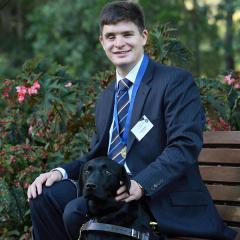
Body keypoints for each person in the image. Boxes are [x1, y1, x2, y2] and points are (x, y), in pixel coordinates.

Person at [27, 1, 237, 240]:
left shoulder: (174, 82)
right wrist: (60, 173)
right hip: (113, 195)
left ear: (143, 36)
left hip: (159, 199)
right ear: (102, 42)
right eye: (111, 36)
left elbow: (184, 146)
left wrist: (141, 184)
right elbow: (97, 155)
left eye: (127, 34)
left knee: (77, 211)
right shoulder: (107, 97)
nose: (119, 43)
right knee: (44, 195)